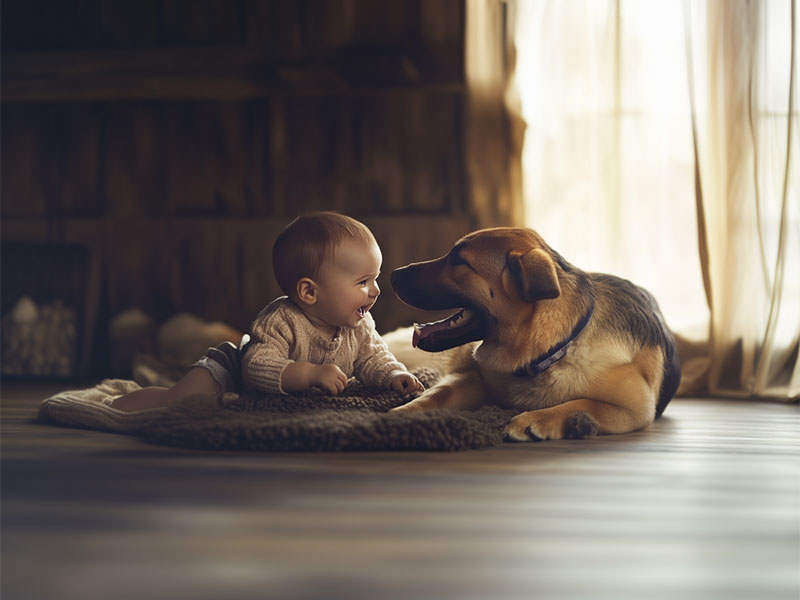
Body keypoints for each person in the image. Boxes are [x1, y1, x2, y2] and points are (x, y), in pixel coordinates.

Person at [111, 212, 424, 412]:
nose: (375, 291)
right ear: (309, 292)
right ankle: (117, 404)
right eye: (363, 282)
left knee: (218, 409)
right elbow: (257, 366)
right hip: (230, 372)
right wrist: (310, 374)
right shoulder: (281, 320)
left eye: (376, 279)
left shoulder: (358, 325)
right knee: (184, 400)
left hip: (258, 397)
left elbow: (373, 358)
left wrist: (394, 374)